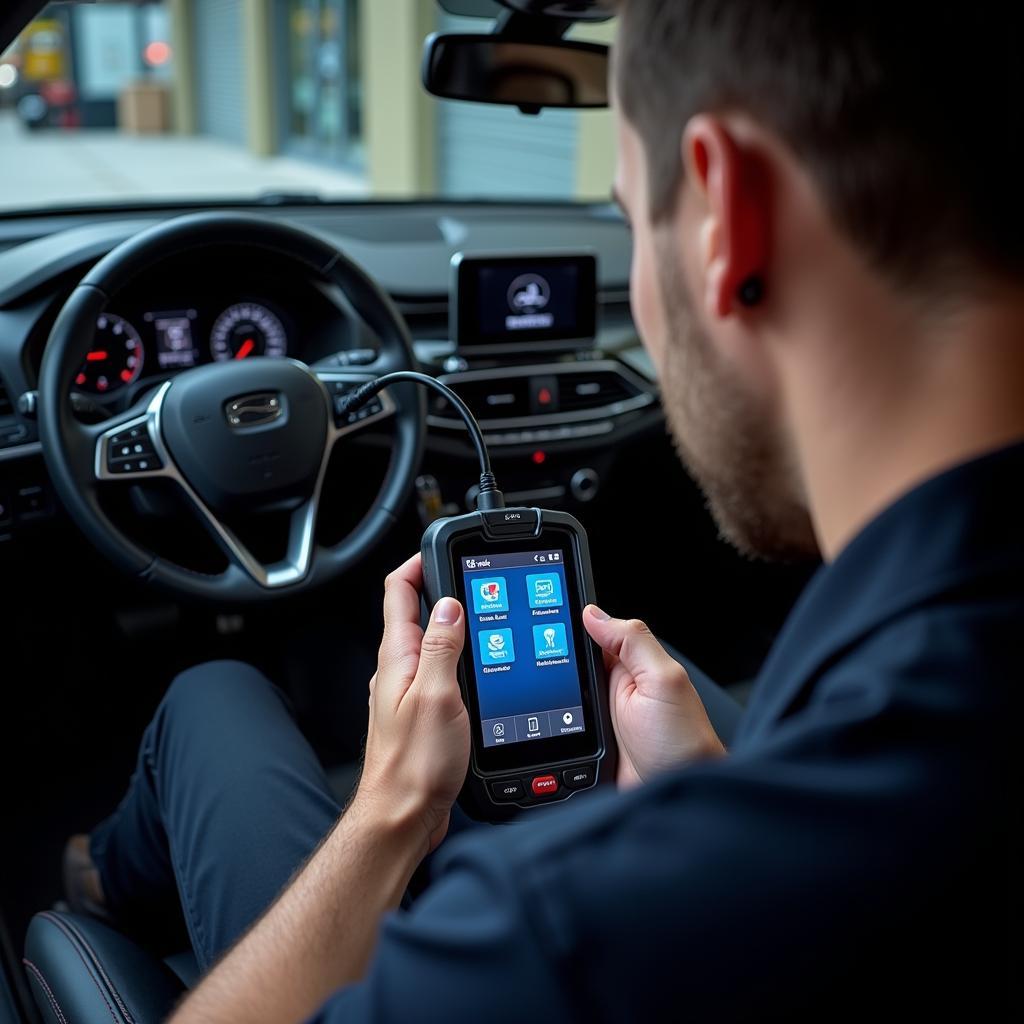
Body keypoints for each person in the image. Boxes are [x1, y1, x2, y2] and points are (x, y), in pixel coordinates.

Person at [58, 2, 1018, 1020]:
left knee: (211, 696)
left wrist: (392, 806)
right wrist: (703, 777)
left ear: (725, 214)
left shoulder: (556, 928)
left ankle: (92, 881)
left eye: (627, 219)